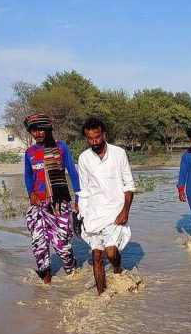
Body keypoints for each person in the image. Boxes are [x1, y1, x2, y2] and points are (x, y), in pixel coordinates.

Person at [77, 117, 135, 295]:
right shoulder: (84, 158)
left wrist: (125, 210)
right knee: (96, 255)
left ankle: (117, 269)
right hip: (94, 213)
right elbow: (84, 189)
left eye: (97, 137)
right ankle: (101, 296)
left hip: (115, 211)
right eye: (89, 138)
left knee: (110, 252)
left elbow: (129, 185)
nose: (94, 141)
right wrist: (81, 214)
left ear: (104, 134)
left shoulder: (119, 153)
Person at [23, 113, 80, 284]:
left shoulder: (61, 148)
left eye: (41, 129)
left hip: (59, 204)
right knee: (39, 245)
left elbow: (73, 174)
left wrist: (78, 199)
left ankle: (72, 274)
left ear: (48, 130)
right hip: (38, 205)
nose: (37, 133)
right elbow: (28, 175)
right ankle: (46, 285)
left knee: (62, 245)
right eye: (33, 130)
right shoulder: (30, 152)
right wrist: (31, 194)